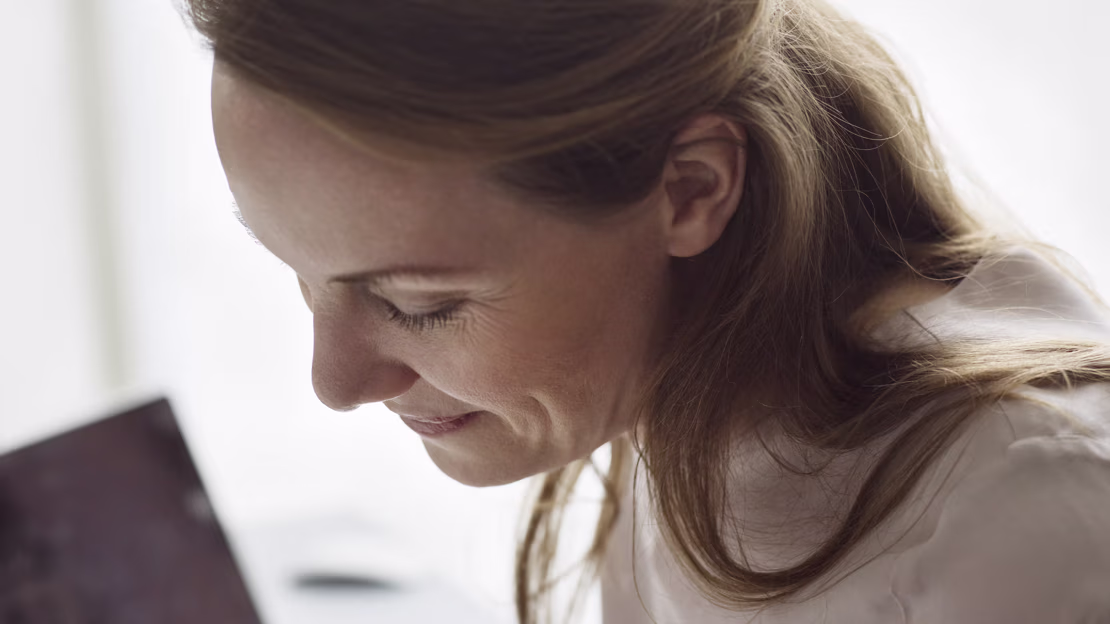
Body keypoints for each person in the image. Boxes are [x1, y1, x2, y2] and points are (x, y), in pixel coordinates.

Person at [184, 0, 1110, 621]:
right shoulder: (684, 369)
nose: (335, 383)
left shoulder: (1033, 514)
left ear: (690, 190)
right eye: (299, 275)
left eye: (420, 305)